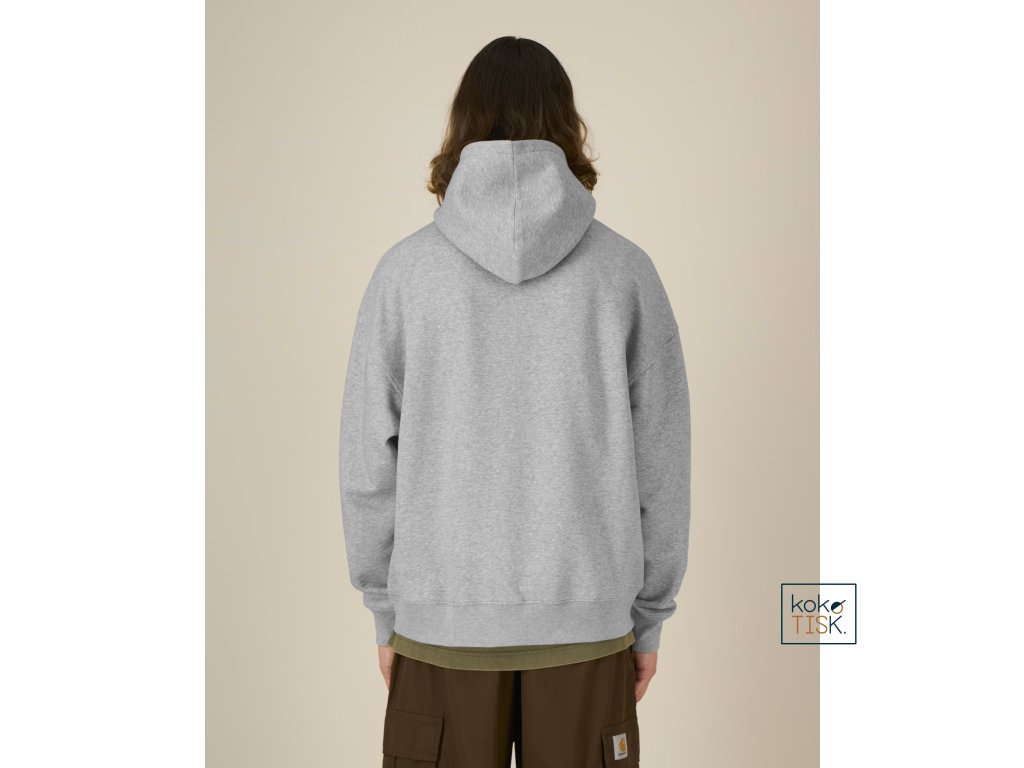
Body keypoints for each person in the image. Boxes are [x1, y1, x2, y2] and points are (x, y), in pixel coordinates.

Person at [339, 35, 691, 768]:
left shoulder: (404, 275)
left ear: (462, 127)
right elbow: (663, 464)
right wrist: (649, 615)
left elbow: (367, 467)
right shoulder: (625, 273)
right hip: (588, 631)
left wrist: (388, 610)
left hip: (440, 631)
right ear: (568, 128)